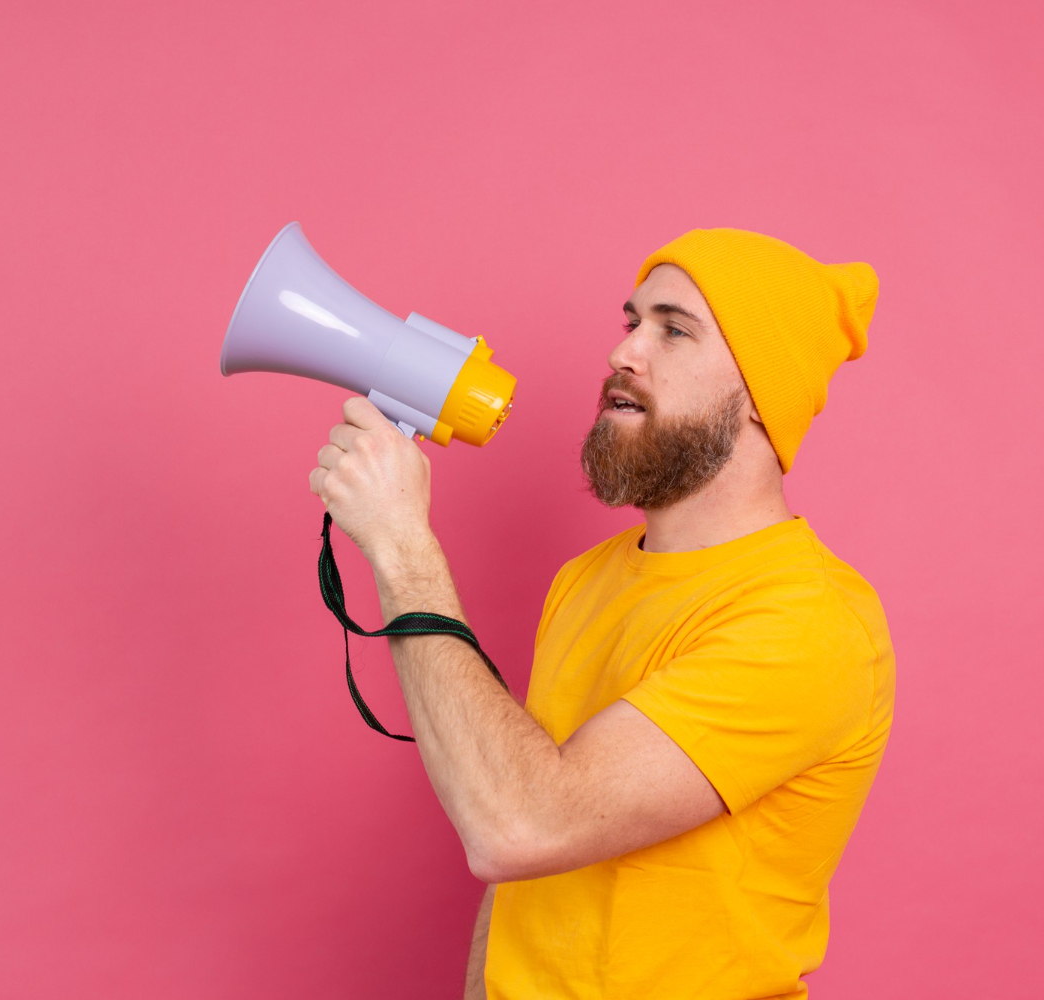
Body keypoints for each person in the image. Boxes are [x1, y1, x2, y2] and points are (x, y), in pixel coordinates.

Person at [310, 228, 895, 1000]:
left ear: (760, 395)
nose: (624, 353)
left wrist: (399, 546)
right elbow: (525, 856)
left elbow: (520, 824)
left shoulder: (808, 624)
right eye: (631, 323)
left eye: (674, 329)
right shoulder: (586, 579)